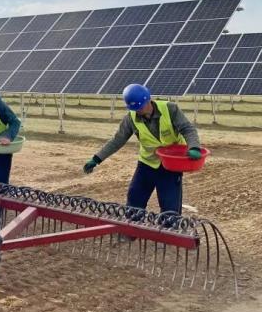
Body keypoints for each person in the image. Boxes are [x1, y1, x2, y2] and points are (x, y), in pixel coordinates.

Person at [83, 83, 202, 215]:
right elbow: (117, 140)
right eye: (134, 108)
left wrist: (194, 147)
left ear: (148, 99)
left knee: (170, 207)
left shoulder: (170, 109)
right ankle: (132, 227)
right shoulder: (131, 118)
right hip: (147, 163)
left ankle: (170, 227)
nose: (138, 111)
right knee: (134, 200)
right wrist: (97, 158)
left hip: (170, 164)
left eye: (140, 107)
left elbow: (187, 129)